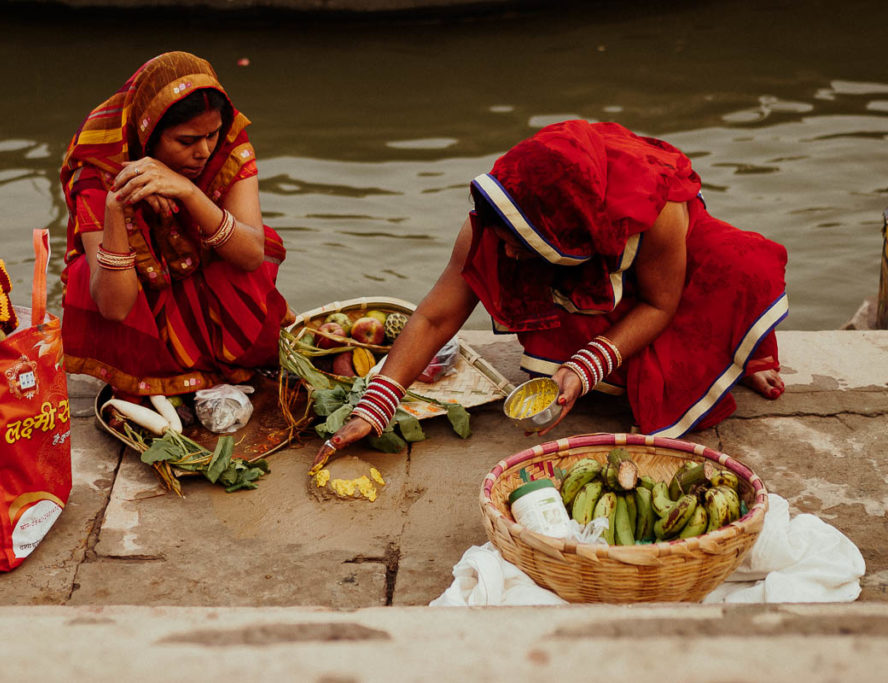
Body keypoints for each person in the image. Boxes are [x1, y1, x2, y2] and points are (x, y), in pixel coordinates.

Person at [314, 120, 788, 469]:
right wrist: (376, 406)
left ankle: (737, 356)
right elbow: (436, 318)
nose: (508, 256)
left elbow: (661, 303)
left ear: (568, 238)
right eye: (505, 242)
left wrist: (587, 365)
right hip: (584, 262)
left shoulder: (658, 211)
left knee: (740, 268)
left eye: (519, 247)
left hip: (670, 264)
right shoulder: (496, 220)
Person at [60, 51, 289, 398]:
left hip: (205, 272)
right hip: (135, 298)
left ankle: (224, 357)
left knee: (238, 240)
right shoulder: (98, 171)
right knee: (91, 270)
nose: (204, 152)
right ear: (148, 134)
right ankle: (156, 372)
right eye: (186, 141)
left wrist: (189, 194)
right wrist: (116, 205)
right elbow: (114, 307)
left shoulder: (226, 144)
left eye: (211, 135)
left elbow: (251, 255)